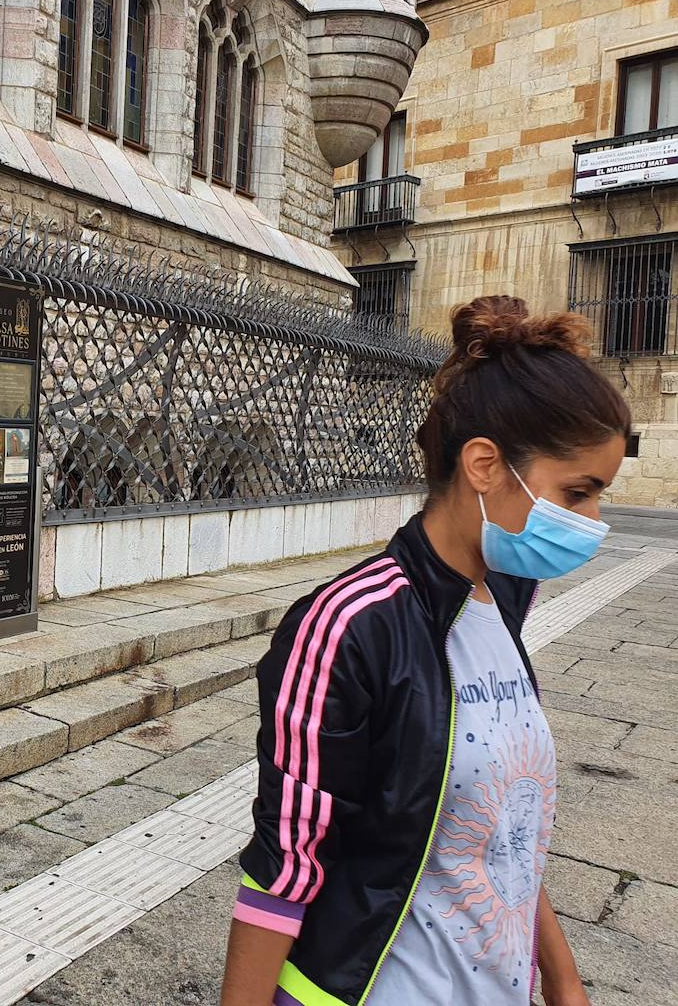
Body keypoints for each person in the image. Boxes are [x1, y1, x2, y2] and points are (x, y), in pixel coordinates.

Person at [219, 296, 629, 1006]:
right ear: (484, 465)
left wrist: (561, 977)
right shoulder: (351, 626)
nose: (593, 521)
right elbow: (282, 871)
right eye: (580, 492)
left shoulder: (504, 599)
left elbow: (500, 827)